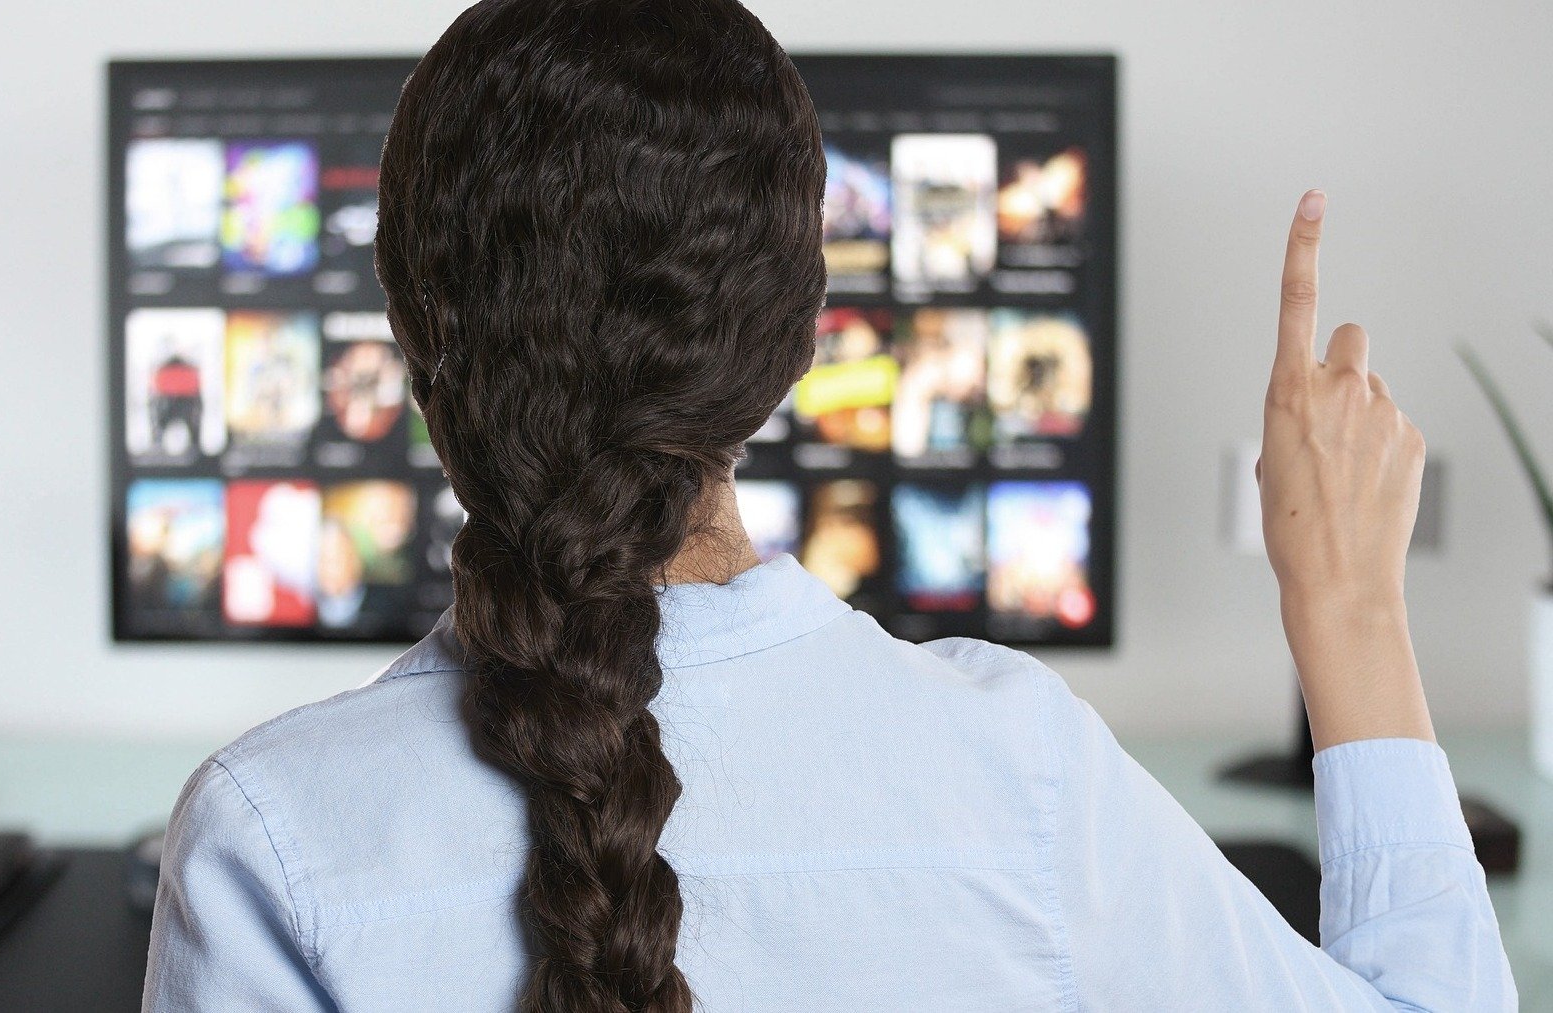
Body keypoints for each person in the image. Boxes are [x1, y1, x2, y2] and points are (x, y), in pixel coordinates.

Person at [142, 1, 1515, 1009]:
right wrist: (1348, 603)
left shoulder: (270, 840)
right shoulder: (1021, 777)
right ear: (796, 340)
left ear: (410, 327)